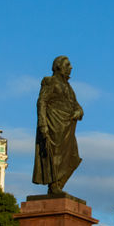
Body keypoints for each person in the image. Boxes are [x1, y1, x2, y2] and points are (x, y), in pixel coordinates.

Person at [33, 55, 83, 194]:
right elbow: (41, 102)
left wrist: (79, 112)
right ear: (59, 67)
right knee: (54, 156)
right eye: (68, 65)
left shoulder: (68, 87)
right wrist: (43, 124)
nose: (71, 68)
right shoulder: (50, 82)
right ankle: (54, 186)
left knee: (73, 158)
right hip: (54, 124)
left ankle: (59, 185)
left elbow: (77, 105)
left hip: (68, 127)